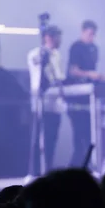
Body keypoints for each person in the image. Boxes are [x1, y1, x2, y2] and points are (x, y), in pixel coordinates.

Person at [65, 20, 105, 166]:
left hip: (89, 100)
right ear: (83, 32)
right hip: (76, 100)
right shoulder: (76, 47)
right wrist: (90, 74)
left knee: (91, 138)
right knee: (80, 141)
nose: (92, 37)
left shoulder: (94, 49)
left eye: (94, 35)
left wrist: (100, 77)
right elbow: (73, 71)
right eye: (90, 34)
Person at [26, 25, 65, 176]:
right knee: (38, 140)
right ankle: (34, 172)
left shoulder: (57, 55)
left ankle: (47, 170)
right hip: (41, 104)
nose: (60, 40)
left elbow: (59, 77)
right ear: (48, 37)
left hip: (55, 105)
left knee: (52, 140)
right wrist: (45, 55)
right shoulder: (35, 54)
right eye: (57, 36)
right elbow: (39, 74)